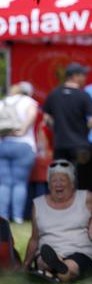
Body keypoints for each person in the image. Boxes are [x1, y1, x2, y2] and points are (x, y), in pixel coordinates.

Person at [23, 159, 92, 283]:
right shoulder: (38, 204)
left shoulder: (86, 197)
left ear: (72, 183)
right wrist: (25, 264)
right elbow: (34, 238)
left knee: (70, 267)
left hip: (79, 252)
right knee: (43, 261)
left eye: (62, 179)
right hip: (48, 252)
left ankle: (50, 274)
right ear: (49, 184)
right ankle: (53, 271)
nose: (58, 184)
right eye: (54, 180)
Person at [42, 63, 92, 164]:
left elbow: (46, 119)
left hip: (60, 145)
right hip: (80, 145)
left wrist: (57, 128)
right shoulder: (83, 95)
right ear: (75, 76)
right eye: (83, 75)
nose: (85, 78)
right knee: (79, 176)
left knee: (61, 175)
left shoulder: (54, 94)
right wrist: (86, 129)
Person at [0, 82, 38, 223]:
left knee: (3, 184)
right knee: (19, 183)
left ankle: (2, 217)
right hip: (23, 144)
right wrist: (23, 129)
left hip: (3, 144)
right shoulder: (28, 101)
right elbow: (32, 114)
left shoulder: (2, 102)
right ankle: (17, 217)